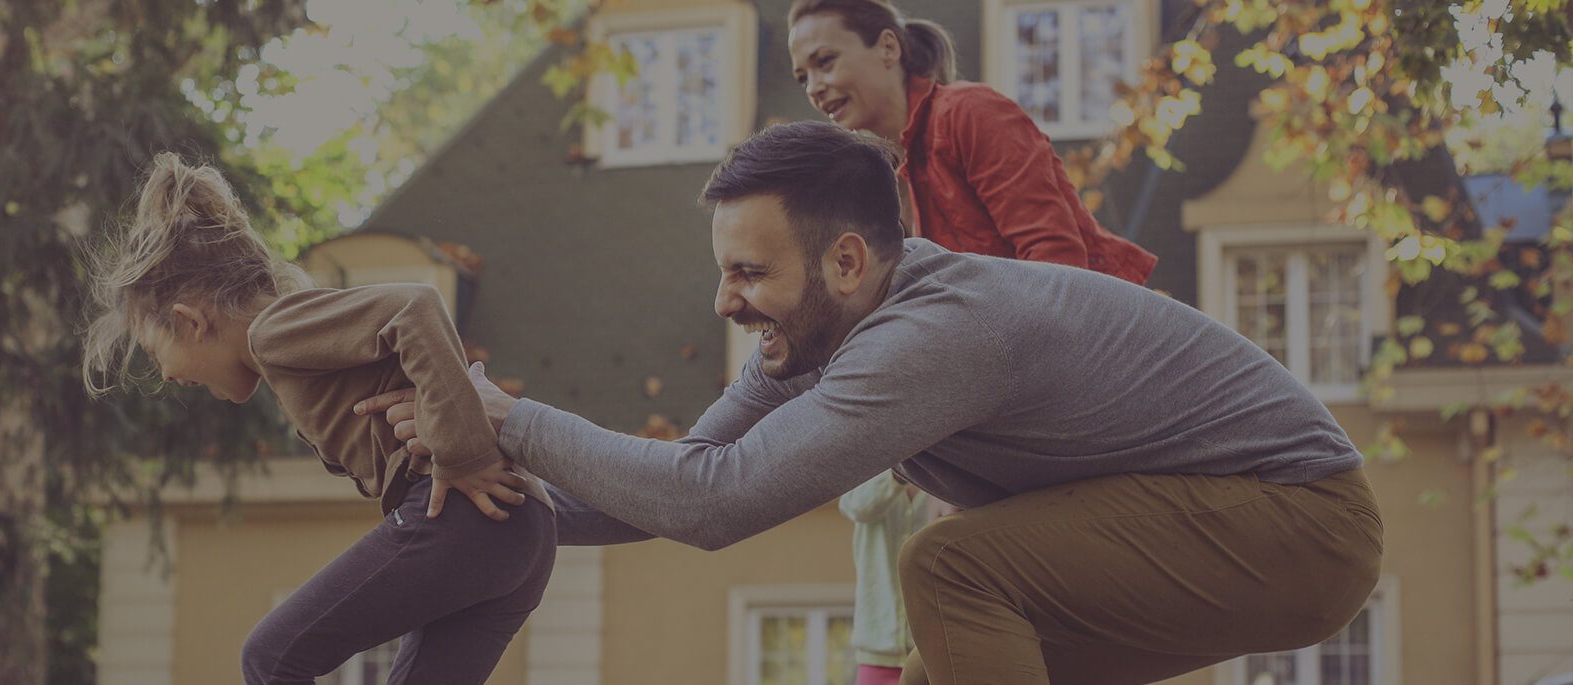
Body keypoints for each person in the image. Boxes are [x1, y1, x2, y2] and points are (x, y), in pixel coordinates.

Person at [360, 121, 1383, 685]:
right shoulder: (815, 332)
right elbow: (676, 488)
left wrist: (513, 417)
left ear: (847, 259)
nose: (726, 301)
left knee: (950, 563)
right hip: (1220, 523)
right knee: (954, 646)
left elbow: (715, 504)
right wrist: (485, 482)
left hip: (1298, 517)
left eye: (750, 274)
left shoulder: (935, 334)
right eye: (724, 272)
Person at [82, 153, 554, 685]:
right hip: (520, 536)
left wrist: (463, 453)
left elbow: (415, 307)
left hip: (462, 518)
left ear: (189, 321)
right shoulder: (297, 352)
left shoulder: (274, 330)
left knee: (271, 657)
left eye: (154, 351)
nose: (164, 375)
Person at [787, 0, 1157, 284]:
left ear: (888, 48)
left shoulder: (968, 113)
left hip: (1097, 353)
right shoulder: (878, 178)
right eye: (803, 78)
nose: (815, 88)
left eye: (826, 61)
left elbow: (1055, 260)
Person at [840, 473, 944, 685]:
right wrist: (899, 472)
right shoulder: (867, 472)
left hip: (933, 653)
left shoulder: (942, 477)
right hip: (877, 652)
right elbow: (856, 507)